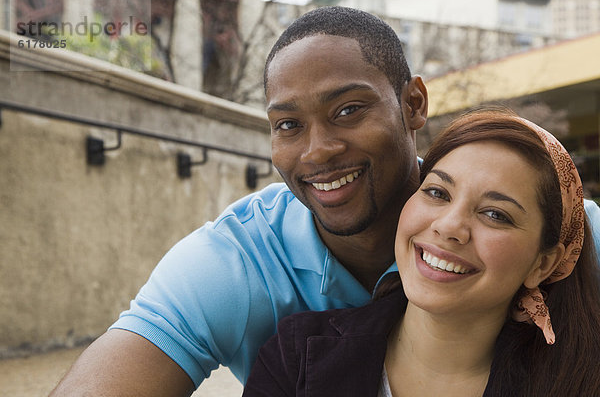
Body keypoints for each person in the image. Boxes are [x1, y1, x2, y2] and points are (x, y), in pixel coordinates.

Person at [50, 7, 600, 396]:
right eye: (288, 124)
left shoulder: (565, 234)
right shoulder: (235, 263)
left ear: (413, 105)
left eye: (347, 111)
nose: (319, 152)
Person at [242, 109, 600, 397]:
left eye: (495, 214)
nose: (448, 226)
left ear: (543, 264)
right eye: (438, 193)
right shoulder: (294, 358)